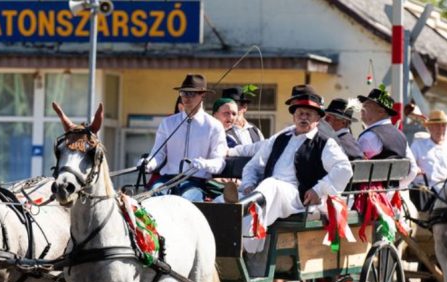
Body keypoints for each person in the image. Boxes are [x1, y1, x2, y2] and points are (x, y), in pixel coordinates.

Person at [237, 85, 353, 252]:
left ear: (317, 119)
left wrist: (318, 190)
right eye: (300, 114)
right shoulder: (280, 138)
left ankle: (249, 247)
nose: (303, 118)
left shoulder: (324, 142)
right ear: (294, 116)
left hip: (297, 196)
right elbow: (253, 165)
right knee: (227, 199)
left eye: (308, 114)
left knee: (271, 186)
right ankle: (228, 234)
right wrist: (248, 184)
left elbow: (344, 168)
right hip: (266, 191)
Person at [140, 74, 227, 202]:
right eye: (184, 93)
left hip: (197, 181)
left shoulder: (214, 126)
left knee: (185, 201)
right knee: (153, 198)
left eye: (192, 94)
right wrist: (148, 163)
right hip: (168, 178)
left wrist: (205, 163)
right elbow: (158, 154)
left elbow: (219, 162)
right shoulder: (168, 123)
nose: (186, 97)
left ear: (202, 95)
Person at [357, 85, 418, 189]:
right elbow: (413, 170)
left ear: (381, 111)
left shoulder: (369, 137)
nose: (362, 108)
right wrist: (393, 189)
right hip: (391, 197)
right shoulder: (401, 136)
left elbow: (355, 171)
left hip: (368, 198)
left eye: (367, 105)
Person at [408, 109, 447, 210]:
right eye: (437, 125)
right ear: (429, 127)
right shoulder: (418, 145)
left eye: (443, 125)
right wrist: (416, 169)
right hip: (425, 193)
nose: (441, 129)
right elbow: (409, 166)